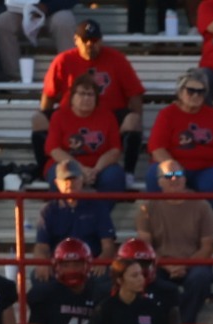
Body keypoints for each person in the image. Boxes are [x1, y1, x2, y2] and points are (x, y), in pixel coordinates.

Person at [33, 20, 144, 179]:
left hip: (109, 115)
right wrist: (52, 121)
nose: (90, 45)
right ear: (76, 40)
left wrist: (137, 125)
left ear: (101, 40)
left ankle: (128, 173)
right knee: (38, 119)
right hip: (71, 115)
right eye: (85, 41)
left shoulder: (117, 59)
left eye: (95, 41)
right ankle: (43, 170)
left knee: (133, 120)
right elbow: (49, 95)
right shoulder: (63, 60)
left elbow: (135, 94)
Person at [135, 161, 213, 324]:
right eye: (168, 176)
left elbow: (207, 246)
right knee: (147, 276)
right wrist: (168, 265)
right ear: (159, 182)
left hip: (193, 263)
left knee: (201, 278)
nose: (174, 179)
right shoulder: (147, 207)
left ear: (185, 178)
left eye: (178, 175)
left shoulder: (202, 205)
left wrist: (184, 265)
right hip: (160, 264)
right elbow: (146, 247)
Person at [147, 68, 213, 197]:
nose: (196, 95)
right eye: (190, 91)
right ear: (180, 92)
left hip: (205, 170)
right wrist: (177, 173)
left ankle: (200, 214)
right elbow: (157, 149)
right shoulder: (167, 115)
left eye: (200, 92)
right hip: (174, 166)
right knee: (157, 176)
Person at [43, 73, 125, 220]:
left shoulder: (107, 116)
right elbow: (53, 149)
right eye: (81, 94)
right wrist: (79, 169)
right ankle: (65, 219)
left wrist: (95, 170)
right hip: (68, 165)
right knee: (58, 176)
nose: (86, 98)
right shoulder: (59, 116)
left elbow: (115, 150)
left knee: (115, 176)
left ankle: (98, 219)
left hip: (98, 167)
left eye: (90, 95)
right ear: (72, 97)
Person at [32, 160, 116, 278]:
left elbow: (108, 244)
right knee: (39, 279)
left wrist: (101, 261)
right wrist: (43, 263)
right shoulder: (48, 210)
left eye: (73, 179)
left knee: (104, 278)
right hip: (59, 267)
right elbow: (41, 246)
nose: (70, 183)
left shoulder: (98, 206)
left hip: (89, 266)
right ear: (57, 183)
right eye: (65, 180)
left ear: (82, 179)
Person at [0, 0, 79, 85]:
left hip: (54, 11)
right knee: (2, 23)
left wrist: (47, 6)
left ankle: (69, 78)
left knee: (65, 21)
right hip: (21, 11)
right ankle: (15, 78)